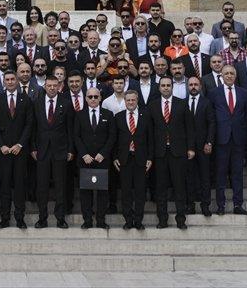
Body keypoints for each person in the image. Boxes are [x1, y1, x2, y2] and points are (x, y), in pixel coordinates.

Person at [0, 71, 32, 229]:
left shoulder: (25, 99)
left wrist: (20, 144)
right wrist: (1, 145)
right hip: (4, 151)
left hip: (20, 150)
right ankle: (5, 218)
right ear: (3, 82)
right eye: (7, 79)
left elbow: (29, 124)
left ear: (17, 80)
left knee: (20, 185)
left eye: (12, 79)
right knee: (5, 185)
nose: (10, 82)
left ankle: (20, 218)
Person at [32, 75, 74, 228]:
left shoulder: (66, 103)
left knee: (60, 186)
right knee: (42, 186)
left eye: (54, 85)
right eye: (49, 85)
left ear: (59, 86)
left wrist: (70, 149)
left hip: (60, 150)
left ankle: (60, 218)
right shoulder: (37, 103)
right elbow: (33, 127)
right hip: (42, 150)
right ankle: (42, 218)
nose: (51, 88)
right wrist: (33, 147)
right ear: (45, 86)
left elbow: (70, 129)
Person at [148, 75, 189, 229]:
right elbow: (149, 131)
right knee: (161, 189)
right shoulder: (152, 105)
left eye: (168, 85)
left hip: (178, 152)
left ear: (172, 87)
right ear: (159, 88)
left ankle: (181, 220)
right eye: (163, 85)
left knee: (179, 187)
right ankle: (162, 220)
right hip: (159, 153)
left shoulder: (182, 104)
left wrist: (190, 148)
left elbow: (189, 127)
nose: (165, 88)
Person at [209, 65, 247, 215]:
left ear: (235, 75)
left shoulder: (244, 93)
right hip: (221, 139)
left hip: (238, 139)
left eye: (232, 73)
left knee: (237, 174)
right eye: (226, 73)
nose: (229, 76)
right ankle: (221, 206)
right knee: (220, 174)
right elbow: (211, 117)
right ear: (221, 75)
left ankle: (238, 205)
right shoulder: (214, 93)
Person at [74, 85, 114, 229]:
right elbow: (76, 136)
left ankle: (101, 220)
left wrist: (103, 153)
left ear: (100, 98)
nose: (93, 99)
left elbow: (112, 136)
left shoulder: (108, 114)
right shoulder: (79, 115)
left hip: (102, 160)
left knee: (103, 192)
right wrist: (84, 154)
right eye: (90, 97)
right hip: (85, 160)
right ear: (85, 98)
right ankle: (87, 221)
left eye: (95, 97)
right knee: (85, 192)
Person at [112, 90, 151, 230]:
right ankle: (128, 220)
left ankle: (138, 221)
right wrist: (114, 157)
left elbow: (151, 138)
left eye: (133, 100)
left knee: (140, 191)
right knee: (126, 191)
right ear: (125, 101)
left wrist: (150, 158)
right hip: (124, 159)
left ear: (137, 100)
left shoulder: (146, 116)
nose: (130, 102)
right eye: (128, 100)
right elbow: (114, 139)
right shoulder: (118, 117)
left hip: (141, 159)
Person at [184, 76, 215, 217]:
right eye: (191, 84)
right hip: (187, 147)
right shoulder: (182, 103)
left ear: (200, 86)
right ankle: (190, 205)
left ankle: (205, 206)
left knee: (204, 177)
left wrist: (209, 142)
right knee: (189, 177)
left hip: (203, 146)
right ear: (187, 86)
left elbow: (212, 123)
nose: (193, 87)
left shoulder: (207, 103)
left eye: (196, 84)